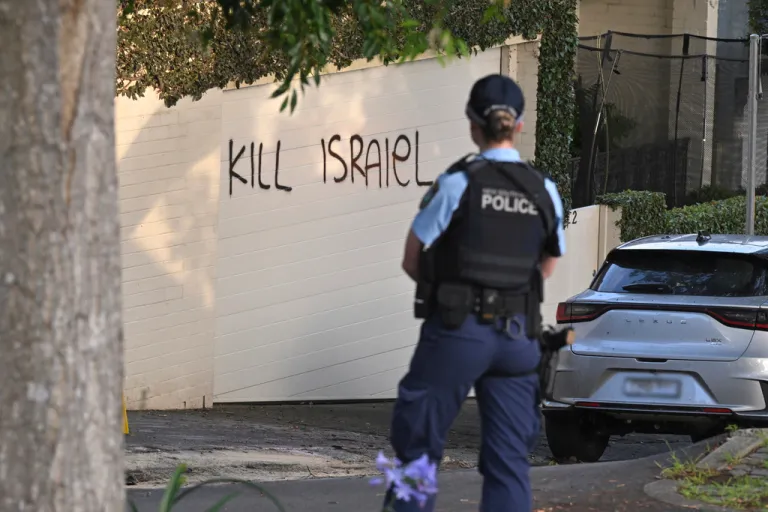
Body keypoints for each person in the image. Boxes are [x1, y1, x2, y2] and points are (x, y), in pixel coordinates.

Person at [384, 74, 566, 512]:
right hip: (518, 337)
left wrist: (448, 293)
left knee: (418, 449)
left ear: (472, 125)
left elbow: (412, 259)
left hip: (456, 331)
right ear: (519, 125)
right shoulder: (545, 190)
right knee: (510, 461)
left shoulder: (458, 182)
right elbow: (546, 267)